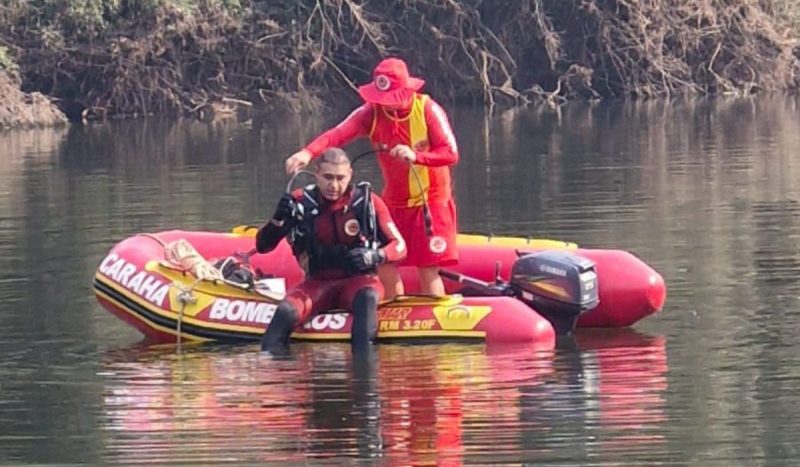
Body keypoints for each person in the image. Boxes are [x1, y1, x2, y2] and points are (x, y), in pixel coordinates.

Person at [285, 57, 459, 297]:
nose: (387, 105)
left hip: (431, 201)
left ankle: (434, 323)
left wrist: (417, 155)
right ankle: (392, 316)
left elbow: (451, 153)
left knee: (427, 268)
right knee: (385, 263)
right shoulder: (370, 113)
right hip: (394, 201)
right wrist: (308, 152)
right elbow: (337, 134)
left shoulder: (428, 109)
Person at [257, 147, 406, 352]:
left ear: (350, 176)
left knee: (367, 299)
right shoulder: (299, 202)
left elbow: (400, 246)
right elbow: (263, 246)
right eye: (327, 177)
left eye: (340, 178)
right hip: (317, 284)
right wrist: (277, 220)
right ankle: (276, 375)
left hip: (358, 282)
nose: (334, 185)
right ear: (316, 173)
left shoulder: (367, 203)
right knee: (285, 312)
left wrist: (377, 255)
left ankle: (364, 374)